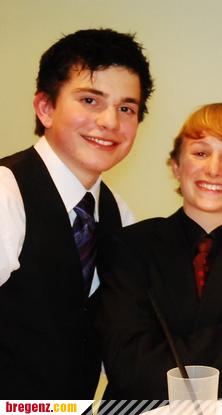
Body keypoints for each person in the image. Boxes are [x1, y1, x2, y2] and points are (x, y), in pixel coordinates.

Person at [97, 103, 222, 399]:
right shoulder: (131, 247)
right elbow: (130, 370)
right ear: (176, 166)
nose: (214, 169)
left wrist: (179, 367)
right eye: (201, 153)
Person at [0, 28, 153, 398]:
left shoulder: (118, 213)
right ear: (45, 108)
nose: (110, 122)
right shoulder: (6, 192)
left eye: (126, 108)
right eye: (90, 100)